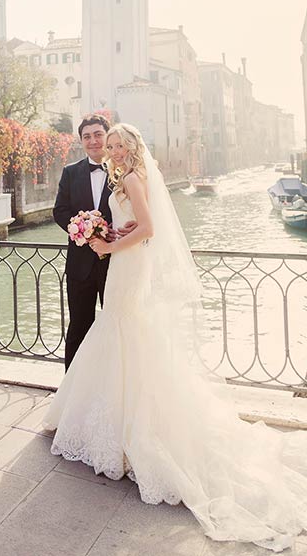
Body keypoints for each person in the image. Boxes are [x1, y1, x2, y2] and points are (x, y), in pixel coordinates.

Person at [45, 123, 307, 552]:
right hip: (125, 261)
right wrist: (109, 234)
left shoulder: (130, 177)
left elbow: (148, 228)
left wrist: (109, 247)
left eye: (115, 143)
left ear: (130, 146)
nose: (108, 148)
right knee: (121, 334)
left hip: (126, 266)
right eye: (105, 144)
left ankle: (126, 426)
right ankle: (115, 417)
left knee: (122, 330)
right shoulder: (126, 175)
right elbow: (136, 226)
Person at [53, 113, 136, 369]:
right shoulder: (70, 172)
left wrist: (121, 228)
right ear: (81, 141)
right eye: (86, 136)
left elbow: (138, 213)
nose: (93, 141)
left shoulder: (126, 172)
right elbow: (60, 211)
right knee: (79, 325)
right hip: (80, 264)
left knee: (119, 326)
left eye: (98, 135)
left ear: (108, 136)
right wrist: (83, 230)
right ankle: (72, 386)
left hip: (117, 262)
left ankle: (116, 385)